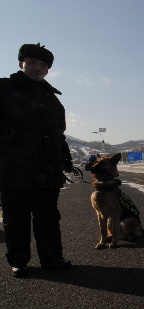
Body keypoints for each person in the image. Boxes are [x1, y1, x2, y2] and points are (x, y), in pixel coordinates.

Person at [0, 43, 73, 277]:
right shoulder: (4, 88)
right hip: (14, 169)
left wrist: (65, 160)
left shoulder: (52, 99)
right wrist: (8, 133)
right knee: (16, 219)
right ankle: (19, 261)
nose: (37, 68)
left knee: (48, 218)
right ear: (21, 63)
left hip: (47, 171)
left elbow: (58, 135)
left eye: (43, 65)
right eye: (32, 62)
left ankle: (52, 258)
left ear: (48, 70)